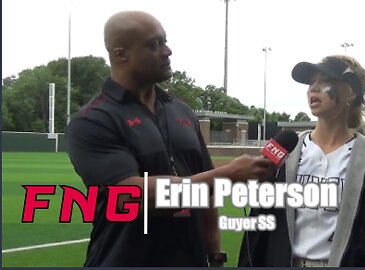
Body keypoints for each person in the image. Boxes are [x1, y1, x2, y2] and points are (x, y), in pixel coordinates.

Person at [66, 11, 273, 267]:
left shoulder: (181, 110)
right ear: (121, 54)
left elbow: (206, 190)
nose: (167, 51)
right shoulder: (93, 120)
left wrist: (215, 255)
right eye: (154, 45)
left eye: (164, 41)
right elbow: (134, 195)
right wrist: (229, 174)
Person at [238, 55, 365, 267]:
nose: (314, 88)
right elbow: (258, 229)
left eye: (325, 81)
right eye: (312, 82)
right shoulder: (288, 152)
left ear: (351, 91)